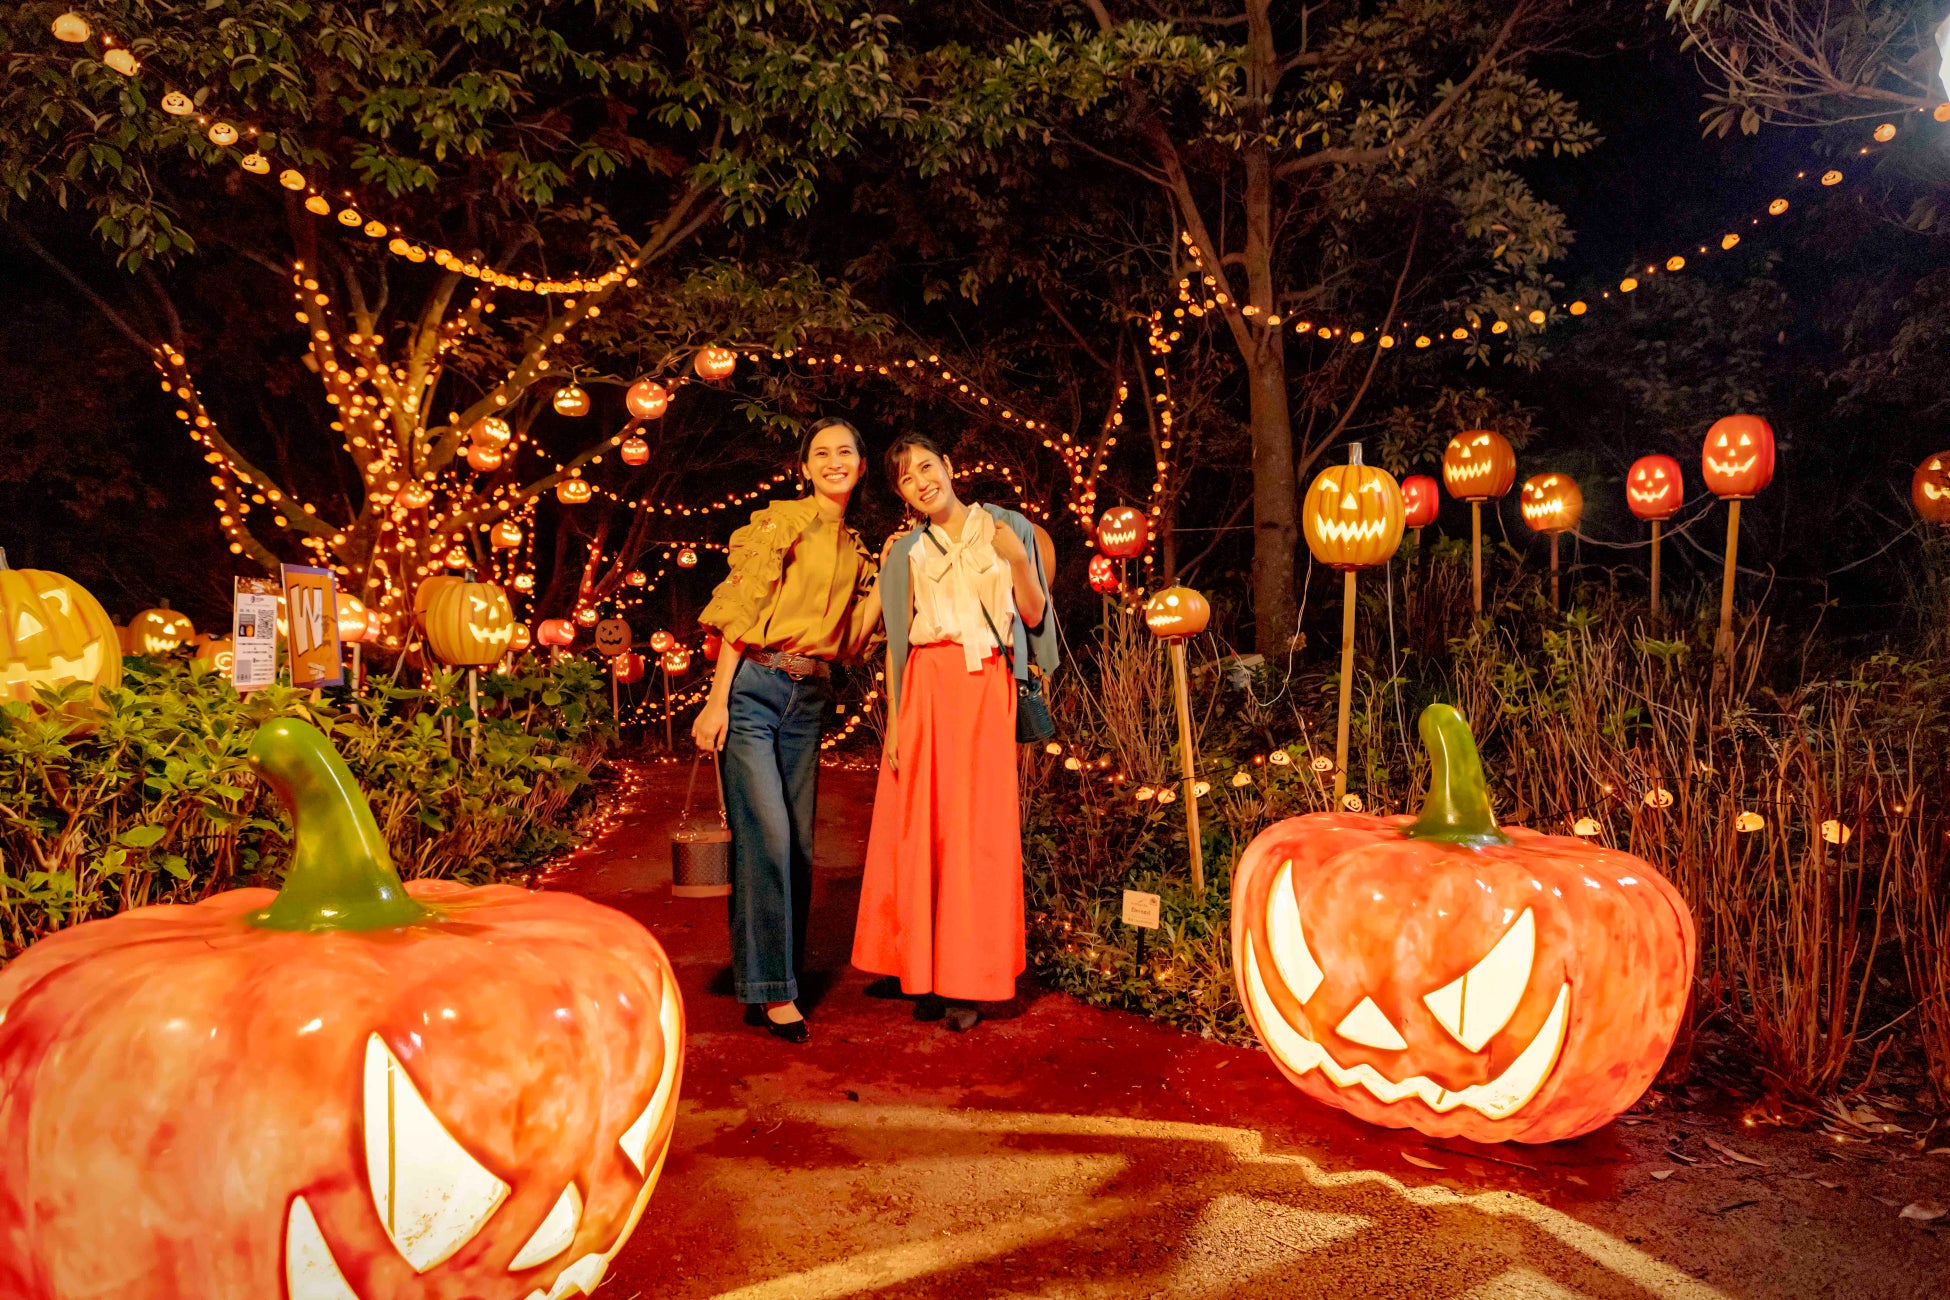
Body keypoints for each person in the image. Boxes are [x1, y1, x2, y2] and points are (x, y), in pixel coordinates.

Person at [852, 433, 1058, 1031]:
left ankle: (968, 979)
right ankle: (916, 965)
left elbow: (1035, 613)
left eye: (926, 466)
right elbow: (894, 641)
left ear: (948, 466)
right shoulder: (906, 550)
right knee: (919, 827)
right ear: (902, 495)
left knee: (975, 832)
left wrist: (1015, 557)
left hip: (984, 684)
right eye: (906, 478)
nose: (921, 480)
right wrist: (894, 721)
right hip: (925, 682)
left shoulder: (1004, 527)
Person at [694, 419, 881, 1044]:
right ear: (805, 467)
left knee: (796, 845)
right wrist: (716, 700)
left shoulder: (858, 549)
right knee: (767, 836)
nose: (833, 462)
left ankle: (769, 978)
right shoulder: (780, 524)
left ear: (861, 465)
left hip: (809, 698)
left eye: (844, 452)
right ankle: (775, 993)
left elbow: (852, 643)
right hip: (752, 687)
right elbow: (740, 613)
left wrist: (889, 583)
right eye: (821, 453)